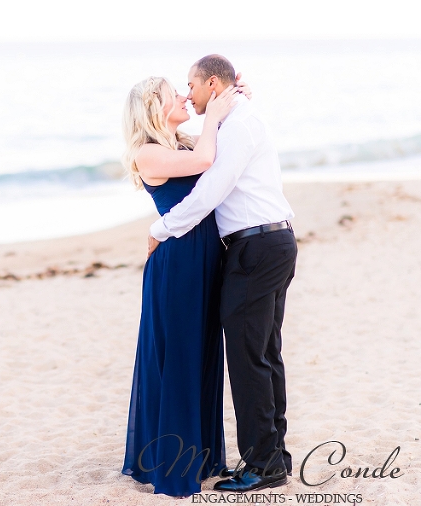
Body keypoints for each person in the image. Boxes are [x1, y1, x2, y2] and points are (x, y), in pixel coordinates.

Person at [148, 54, 297, 493]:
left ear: (212, 84)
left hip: (257, 246)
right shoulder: (236, 119)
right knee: (264, 355)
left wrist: (162, 227)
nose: (188, 97)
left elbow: (212, 190)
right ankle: (274, 457)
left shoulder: (237, 126)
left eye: (191, 88)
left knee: (251, 359)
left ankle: (264, 465)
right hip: (268, 243)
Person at [120, 74, 243, 497]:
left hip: (207, 258)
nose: (185, 97)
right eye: (175, 93)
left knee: (203, 354)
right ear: (155, 107)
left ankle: (203, 455)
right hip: (177, 266)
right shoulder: (148, 154)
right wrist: (213, 119)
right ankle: (173, 466)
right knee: (179, 357)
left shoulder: (185, 142)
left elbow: (223, 145)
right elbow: (207, 162)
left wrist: (230, 95)